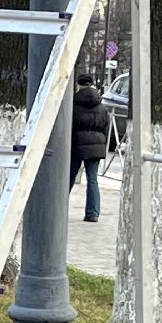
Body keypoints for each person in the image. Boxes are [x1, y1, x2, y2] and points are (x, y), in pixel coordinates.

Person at [70, 74, 111, 222]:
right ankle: (93, 213)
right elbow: (106, 127)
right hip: (96, 145)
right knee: (92, 179)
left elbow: (70, 126)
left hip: (77, 145)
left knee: (69, 177)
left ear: (78, 85)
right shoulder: (102, 107)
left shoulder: (73, 104)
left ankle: (59, 208)